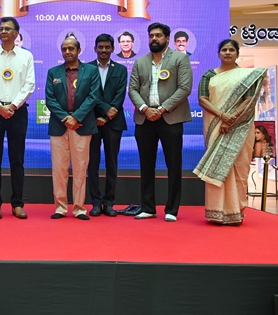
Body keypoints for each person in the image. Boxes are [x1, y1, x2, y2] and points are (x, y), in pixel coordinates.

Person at [194, 39, 266, 225]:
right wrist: (222, 116)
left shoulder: (246, 76)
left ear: (237, 54)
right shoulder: (209, 75)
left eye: (231, 50)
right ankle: (216, 212)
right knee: (217, 165)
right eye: (224, 50)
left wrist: (232, 119)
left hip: (240, 127)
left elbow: (249, 100)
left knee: (239, 167)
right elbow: (202, 99)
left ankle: (235, 213)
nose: (227, 52)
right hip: (215, 125)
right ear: (218, 54)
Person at [128, 22, 192, 222]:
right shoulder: (140, 62)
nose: (154, 39)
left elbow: (184, 88)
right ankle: (148, 207)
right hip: (145, 118)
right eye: (151, 36)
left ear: (167, 38)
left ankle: (171, 210)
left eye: (158, 35)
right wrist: (145, 109)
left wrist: (162, 109)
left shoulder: (180, 59)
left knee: (174, 165)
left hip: (170, 118)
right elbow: (133, 90)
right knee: (146, 165)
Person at [0, 17, 35, 219]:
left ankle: (17, 203)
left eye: (7, 28)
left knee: (17, 159)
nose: (3, 31)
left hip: (17, 111)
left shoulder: (26, 56)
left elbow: (29, 84)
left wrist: (12, 106)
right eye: (1, 28)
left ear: (16, 33)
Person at [46, 37, 100, 220]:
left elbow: (93, 96)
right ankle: (60, 207)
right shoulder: (53, 72)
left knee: (80, 169)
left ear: (79, 50)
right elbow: (50, 99)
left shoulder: (91, 70)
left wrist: (76, 117)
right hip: (59, 125)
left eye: (71, 48)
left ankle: (79, 208)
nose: (67, 52)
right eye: (64, 49)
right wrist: (66, 118)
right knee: (59, 169)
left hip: (81, 125)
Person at [87, 34, 128, 217]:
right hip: (92, 121)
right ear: (95, 48)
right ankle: (95, 202)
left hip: (114, 121)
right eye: (100, 47)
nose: (103, 50)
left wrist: (108, 114)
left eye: (107, 47)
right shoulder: (87, 68)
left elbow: (120, 95)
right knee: (92, 163)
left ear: (112, 49)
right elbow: (89, 95)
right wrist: (103, 112)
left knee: (112, 163)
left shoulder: (121, 69)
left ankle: (109, 202)